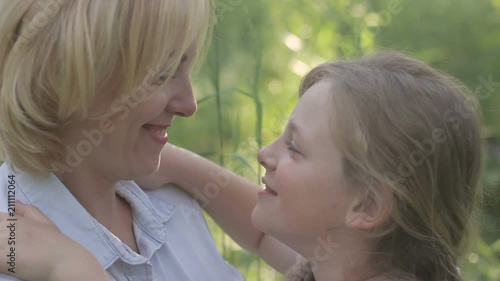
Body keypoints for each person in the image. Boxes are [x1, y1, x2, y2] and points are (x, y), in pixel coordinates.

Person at [1, 51, 483, 281]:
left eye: (294, 148)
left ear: (368, 203)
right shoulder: (352, 262)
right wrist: (179, 165)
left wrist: (71, 266)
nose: (263, 154)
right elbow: (259, 236)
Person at [0, 0, 249, 280]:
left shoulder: (172, 199)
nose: (189, 105)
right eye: (162, 74)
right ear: (65, 76)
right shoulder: (13, 251)